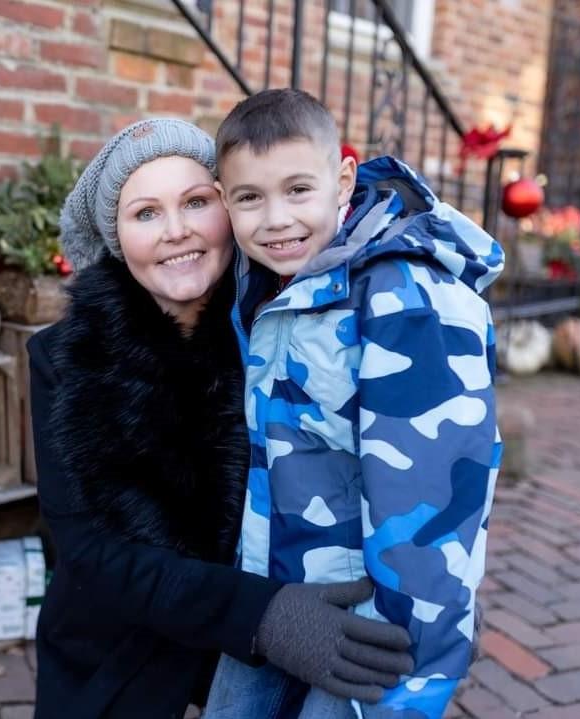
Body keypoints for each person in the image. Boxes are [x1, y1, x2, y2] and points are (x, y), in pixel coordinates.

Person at [27, 118, 414, 719]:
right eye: (146, 213)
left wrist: (426, 576)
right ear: (116, 235)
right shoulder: (64, 360)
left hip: (259, 669)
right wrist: (259, 615)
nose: (176, 231)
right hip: (120, 656)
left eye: (197, 202)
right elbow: (89, 550)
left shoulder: (280, 333)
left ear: (229, 210)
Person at [204, 89, 504, 719]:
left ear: (342, 180)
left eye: (297, 190)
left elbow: (436, 508)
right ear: (225, 199)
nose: (276, 219)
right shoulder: (273, 283)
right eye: (249, 198)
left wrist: (408, 682)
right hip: (277, 589)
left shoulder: (409, 299)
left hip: (373, 624)